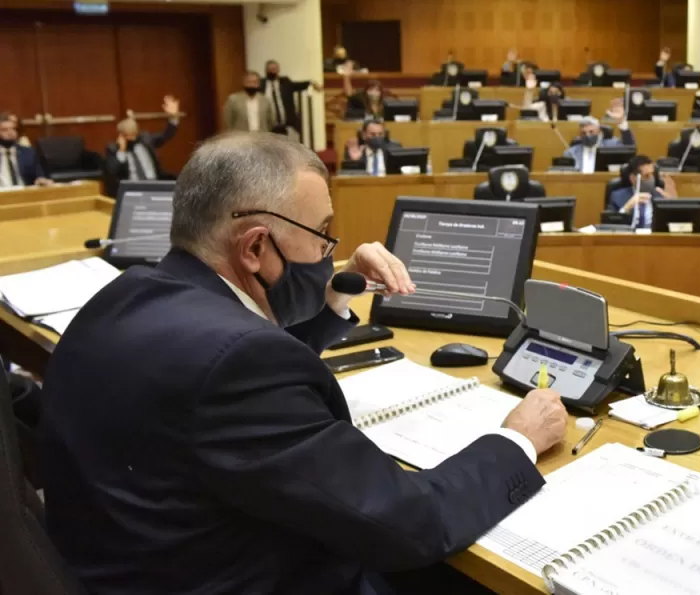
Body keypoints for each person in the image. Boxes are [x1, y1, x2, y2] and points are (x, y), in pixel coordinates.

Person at [39, 132, 569, 595]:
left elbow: (235, 359)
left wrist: (334, 293)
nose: (328, 251)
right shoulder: (240, 365)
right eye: (321, 234)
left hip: (129, 565)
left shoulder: (126, 296)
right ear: (254, 248)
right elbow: (412, 523)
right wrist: (517, 440)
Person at [103, 95, 179, 194]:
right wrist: (121, 151)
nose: (132, 139)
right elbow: (111, 174)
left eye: (134, 135)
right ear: (121, 136)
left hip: (155, 186)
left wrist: (173, 117)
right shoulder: (113, 149)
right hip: (133, 191)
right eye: (128, 136)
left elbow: (166, 135)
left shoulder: (145, 140)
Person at [608, 154, 677, 227]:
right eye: (646, 176)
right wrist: (626, 208)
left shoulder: (661, 195)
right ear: (632, 178)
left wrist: (673, 203)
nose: (651, 179)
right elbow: (611, 226)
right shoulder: (617, 196)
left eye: (652, 174)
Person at [563, 109, 636, 173]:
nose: (587, 135)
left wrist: (622, 123)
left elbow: (629, 147)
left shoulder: (610, 147)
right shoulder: (571, 153)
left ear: (599, 132)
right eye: (584, 133)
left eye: (591, 132)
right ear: (580, 135)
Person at [262, 60, 319, 135]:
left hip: (287, 123)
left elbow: (298, 85)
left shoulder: (285, 82)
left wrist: (311, 83)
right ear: (266, 70)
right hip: (268, 125)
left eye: (275, 69)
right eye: (271, 69)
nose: (273, 71)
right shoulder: (261, 84)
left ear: (278, 70)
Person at [0, 112, 50, 188]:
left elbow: (40, 176)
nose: (10, 133)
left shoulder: (29, 153)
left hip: (24, 195)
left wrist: (41, 180)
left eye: (13, 129)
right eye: (4, 130)